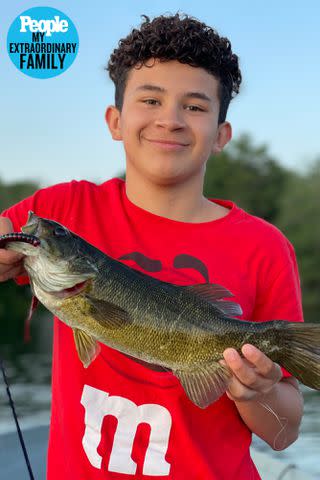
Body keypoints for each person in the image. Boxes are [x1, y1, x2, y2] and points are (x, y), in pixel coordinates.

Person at [0, 13, 304, 480]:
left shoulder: (264, 247)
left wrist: (255, 391)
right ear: (116, 121)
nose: (170, 119)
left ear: (222, 135)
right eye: (151, 99)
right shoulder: (63, 210)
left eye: (196, 107)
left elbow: (283, 434)